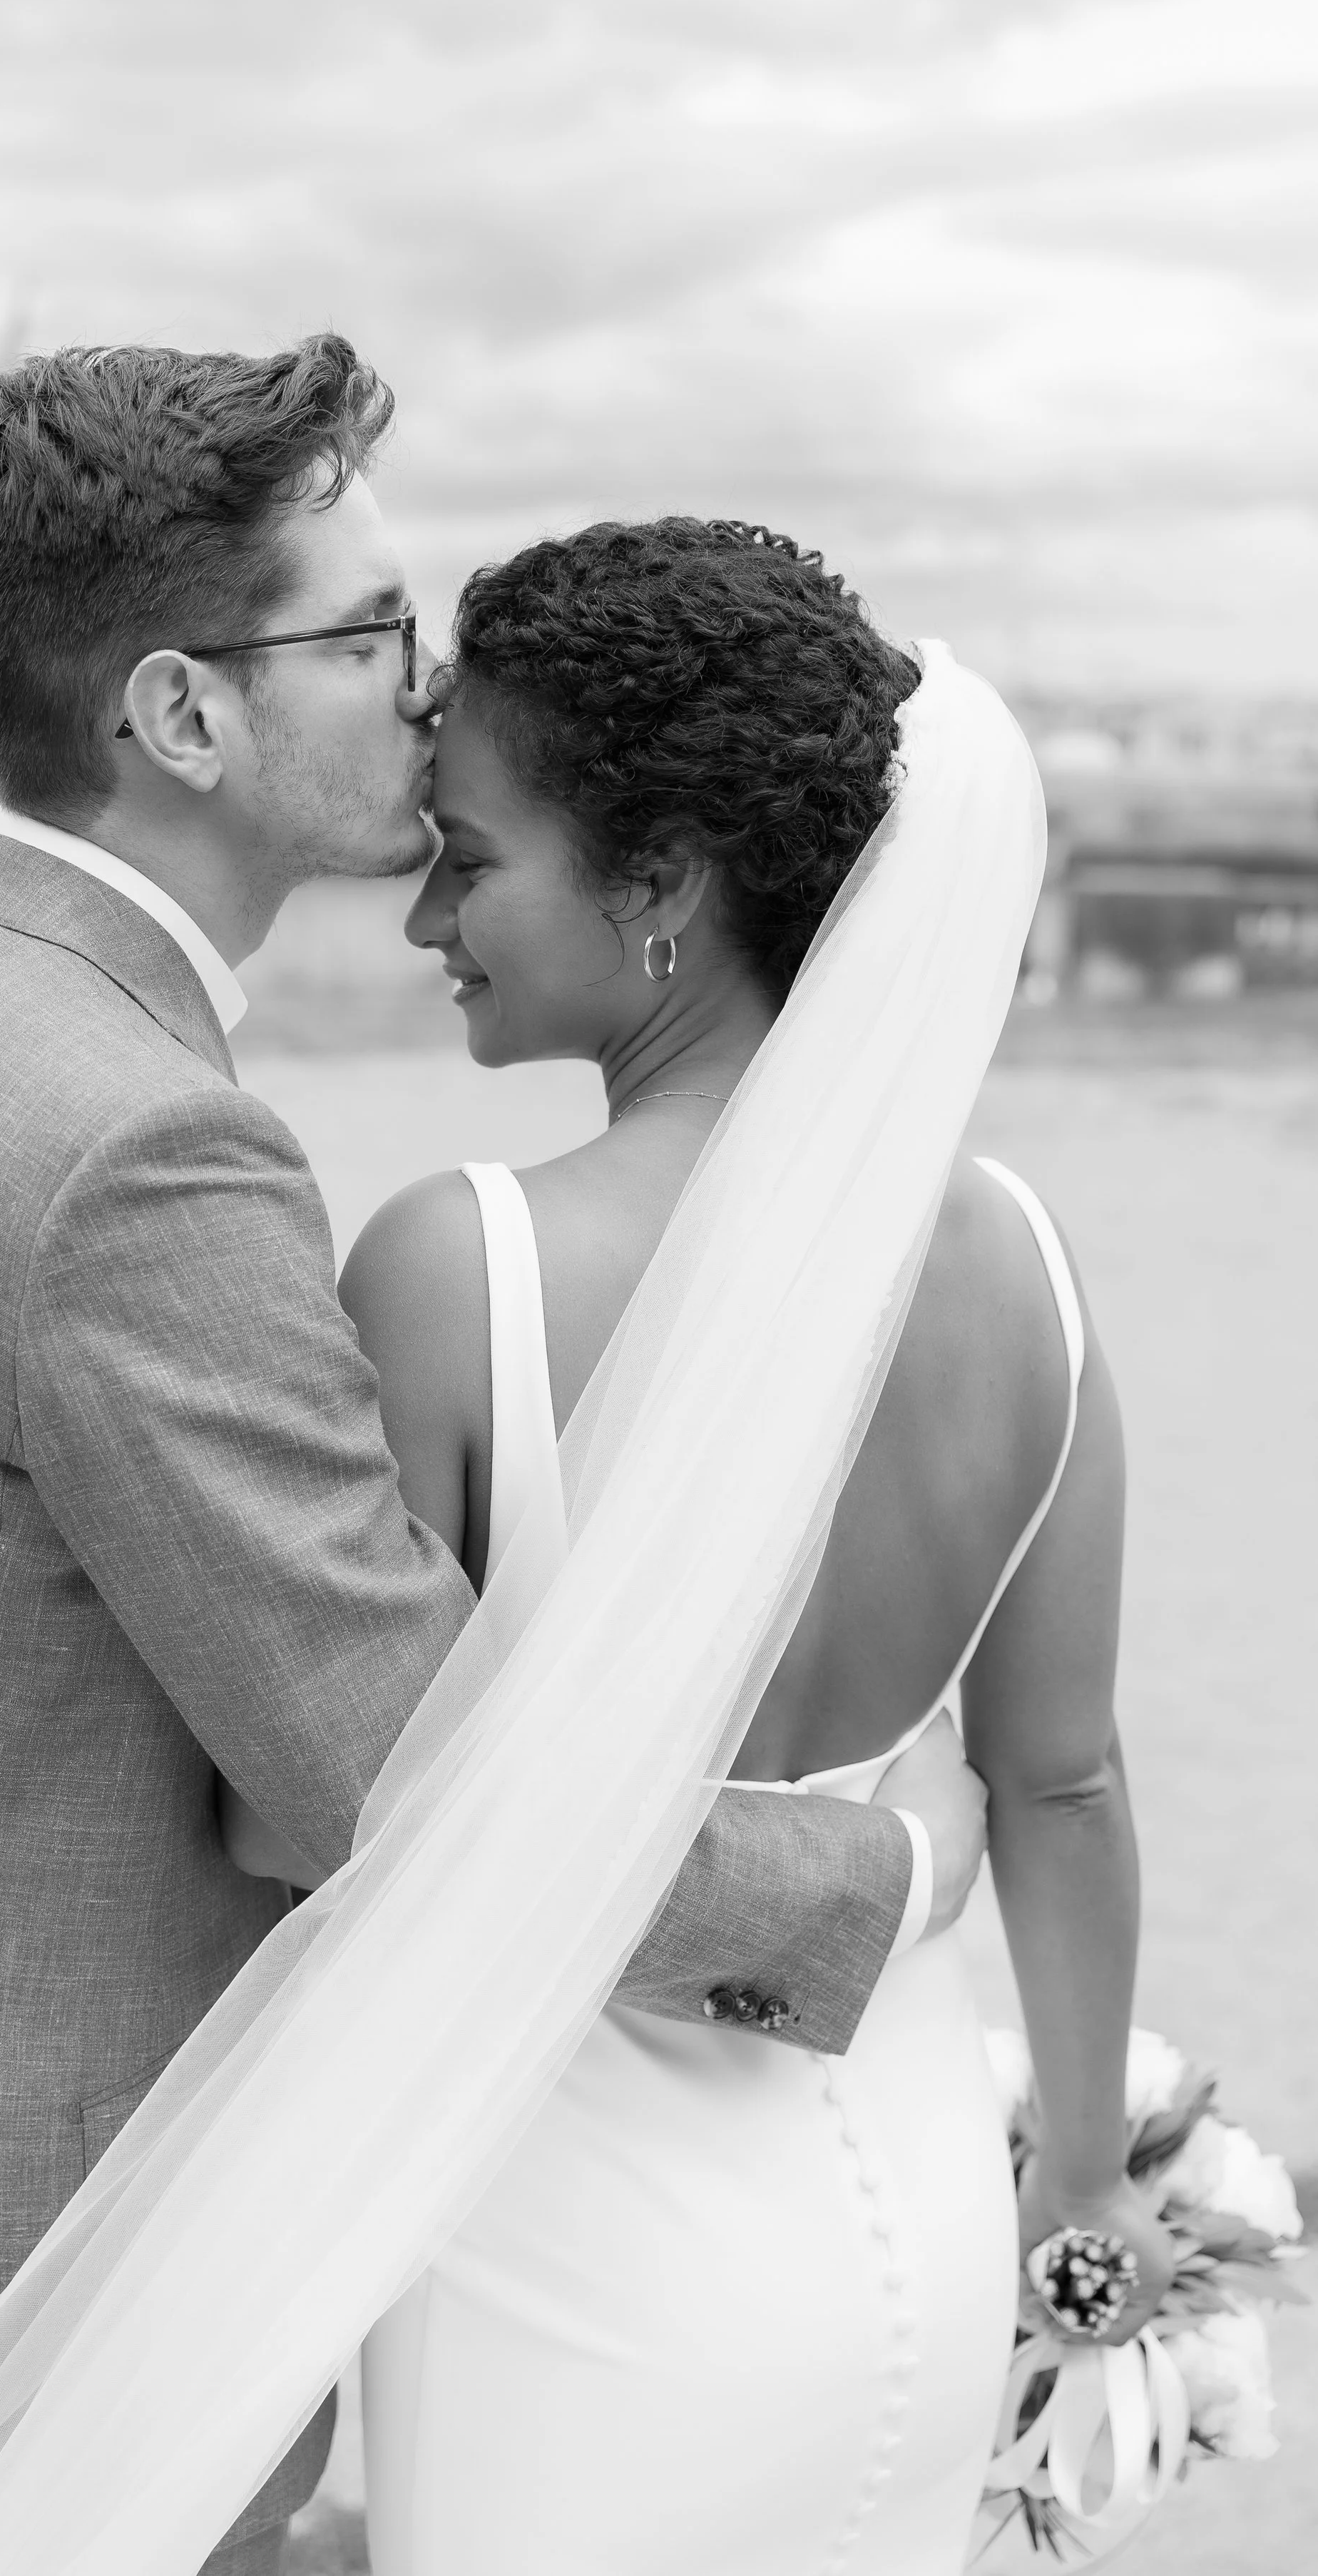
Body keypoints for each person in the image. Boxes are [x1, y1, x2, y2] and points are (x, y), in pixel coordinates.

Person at [0, 343, 982, 2576]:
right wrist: (875, 1876)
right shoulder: (142, 1148)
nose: (429, 684)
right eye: (371, 627)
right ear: (182, 715)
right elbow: (392, 1773)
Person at [330, 519, 1174, 2573]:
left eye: (467, 857)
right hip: (917, 2221)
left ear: (659, 884)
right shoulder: (1024, 1260)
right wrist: (1084, 2185)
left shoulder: (464, 1268)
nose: (425, 916)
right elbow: (1061, 1785)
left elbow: (329, 1811)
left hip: (568, 2265)